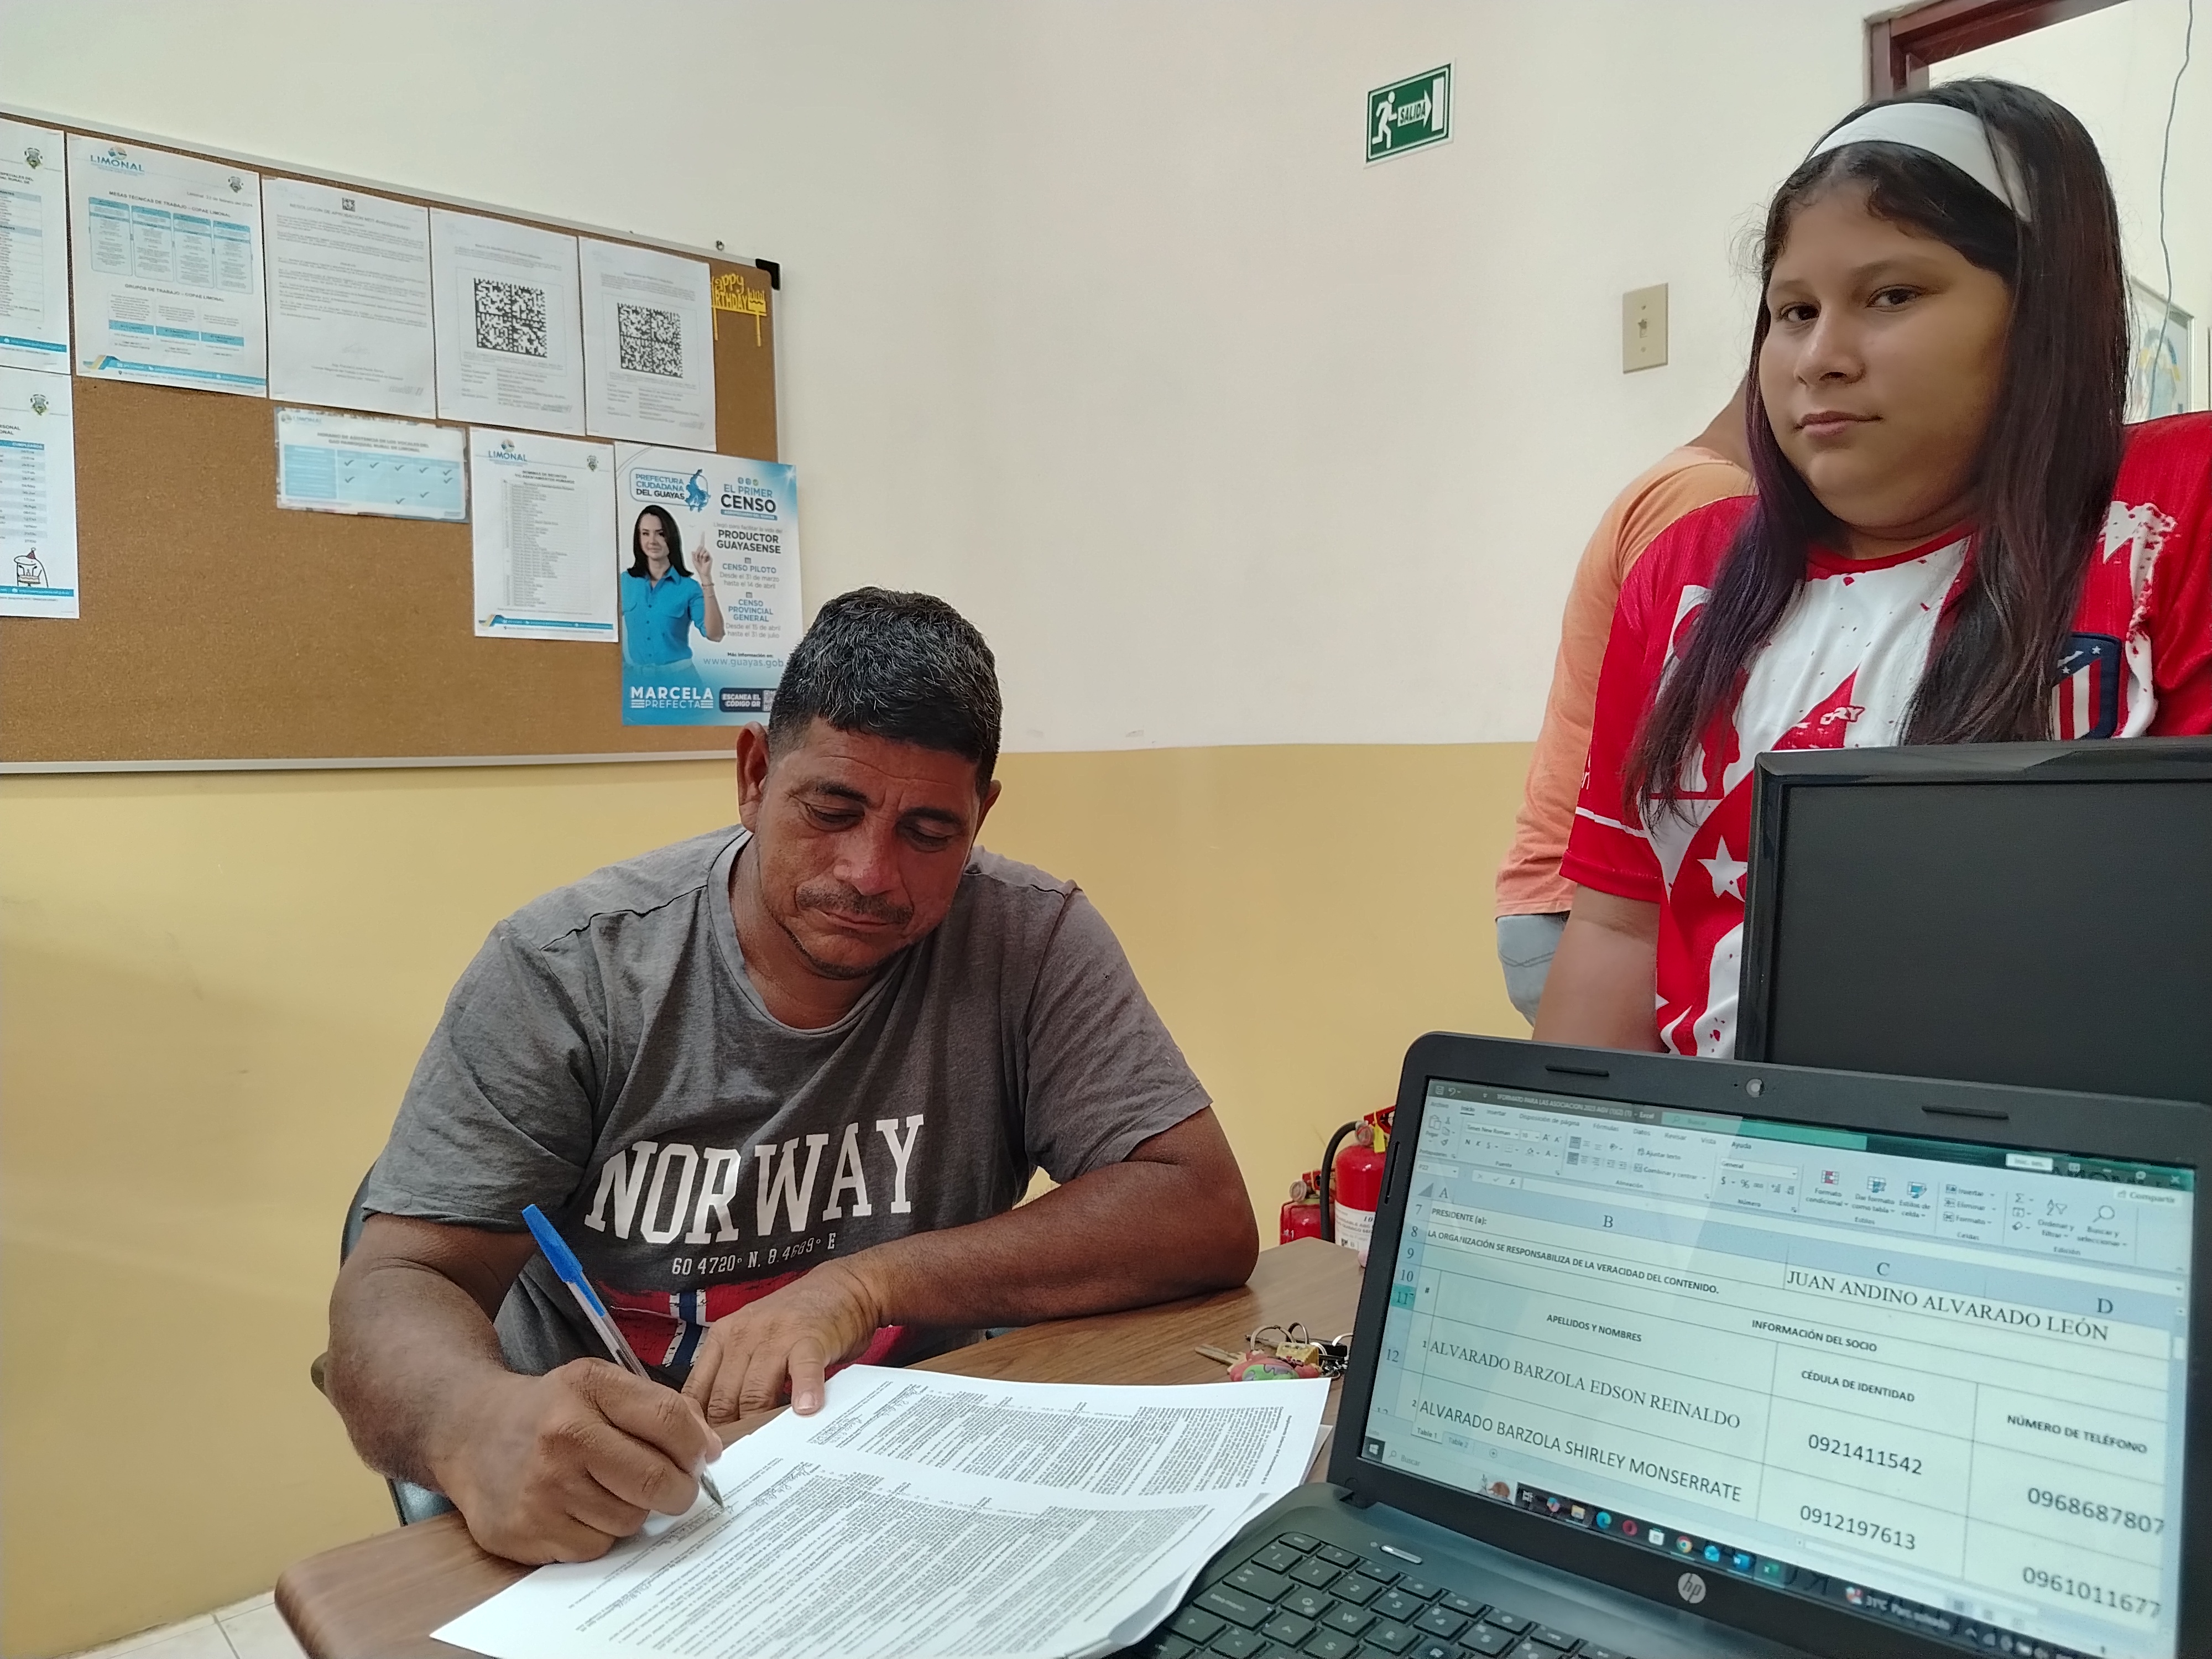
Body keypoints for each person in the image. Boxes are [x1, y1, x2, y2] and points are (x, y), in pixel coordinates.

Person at [326, 587, 1258, 1564]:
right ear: (755, 775)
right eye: (832, 810)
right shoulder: (567, 972)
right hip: (626, 1522)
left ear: (981, 816)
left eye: (929, 832)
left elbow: (1199, 1208)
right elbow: (399, 1279)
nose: (869, 872)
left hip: (915, 1494)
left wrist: (867, 1283)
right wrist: (475, 1427)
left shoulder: (1031, 939)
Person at [1536, 79, 2211, 1058]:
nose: (1820, 357)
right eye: (1793, 310)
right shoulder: (1688, 573)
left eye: (1892, 295)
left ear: (2045, 309)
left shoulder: (2173, 514)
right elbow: (1617, 929)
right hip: (1714, 1140)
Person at [1494, 392, 1751, 1023]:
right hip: (1598, 906)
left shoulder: (1688, 483)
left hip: (1578, 902)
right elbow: (1691, 745)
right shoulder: (1710, 498)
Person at [619, 505, 722, 670]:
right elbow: (609, 630)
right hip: (638, 681)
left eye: (660, 534)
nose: (652, 541)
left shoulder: (689, 588)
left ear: (671, 538)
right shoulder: (625, 582)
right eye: (645, 534)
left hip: (680, 680)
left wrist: (706, 578)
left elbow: (715, 635)